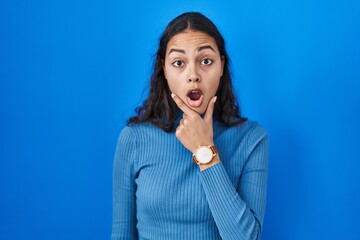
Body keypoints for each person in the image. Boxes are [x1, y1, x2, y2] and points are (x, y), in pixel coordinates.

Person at [111, 12, 268, 240]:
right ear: (164, 69)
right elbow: (121, 234)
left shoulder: (252, 139)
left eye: (206, 61)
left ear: (221, 65)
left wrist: (205, 150)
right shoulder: (134, 139)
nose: (193, 75)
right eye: (178, 63)